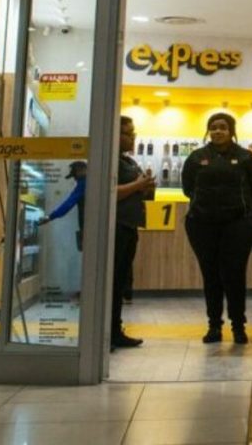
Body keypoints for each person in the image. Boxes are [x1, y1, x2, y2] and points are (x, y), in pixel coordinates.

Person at [182, 112, 252, 344]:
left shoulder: (245, 157)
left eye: (223, 127)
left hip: (238, 224)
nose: (218, 131)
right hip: (201, 223)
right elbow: (187, 188)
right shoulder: (196, 157)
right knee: (211, 275)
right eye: (213, 127)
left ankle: (238, 326)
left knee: (235, 274)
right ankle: (214, 326)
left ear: (231, 131)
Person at [113, 117, 157, 349]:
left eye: (133, 132)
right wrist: (138, 185)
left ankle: (114, 330)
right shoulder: (108, 159)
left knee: (120, 281)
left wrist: (147, 188)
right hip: (116, 227)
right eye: (127, 133)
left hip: (130, 226)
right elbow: (109, 192)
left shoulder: (128, 161)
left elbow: (139, 193)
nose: (133, 137)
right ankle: (107, 332)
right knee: (112, 282)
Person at [38, 161, 87, 251]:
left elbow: (68, 204)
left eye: (75, 176)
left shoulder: (83, 184)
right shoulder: (92, 183)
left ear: (80, 171)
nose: (75, 179)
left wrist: (50, 217)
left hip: (88, 228)